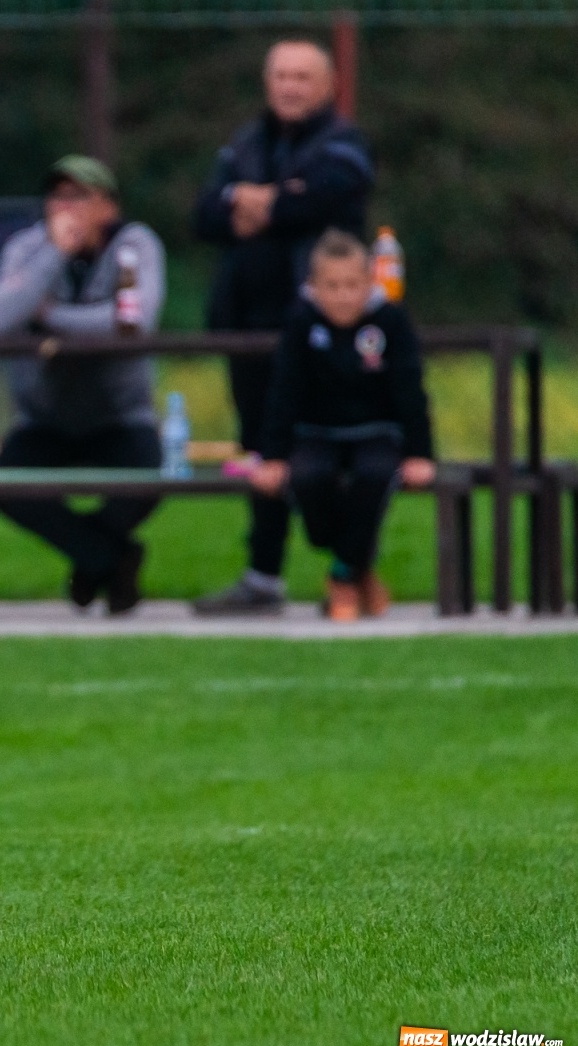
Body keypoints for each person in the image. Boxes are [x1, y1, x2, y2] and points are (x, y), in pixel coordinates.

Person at [191, 39, 374, 616]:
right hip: (248, 328)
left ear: (328, 86)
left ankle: (349, 570)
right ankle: (262, 577)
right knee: (261, 453)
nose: (290, 87)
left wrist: (259, 204)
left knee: (330, 452)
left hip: (319, 331)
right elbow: (205, 214)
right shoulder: (246, 142)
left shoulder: (343, 145)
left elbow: (326, 200)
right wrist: (267, 203)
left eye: (302, 76)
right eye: (281, 76)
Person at [0, 156, 167, 614]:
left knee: (146, 480)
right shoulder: (28, 248)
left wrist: (49, 318)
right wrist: (55, 253)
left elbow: (134, 321)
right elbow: (0, 318)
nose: (67, 208)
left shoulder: (135, 244)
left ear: (108, 205)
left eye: (80, 197)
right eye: (58, 197)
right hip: (45, 416)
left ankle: (93, 561)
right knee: (5, 485)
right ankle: (108, 557)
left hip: (120, 416)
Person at [249, 230, 434, 622]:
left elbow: (410, 391)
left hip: (376, 431)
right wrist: (274, 456)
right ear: (313, 286)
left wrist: (420, 453)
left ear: (369, 282)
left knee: (376, 474)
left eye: (352, 285)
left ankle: (342, 576)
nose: (343, 296)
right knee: (308, 478)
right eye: (331, 286)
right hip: (316, 432)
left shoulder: (390, 322)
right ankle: (359, 566)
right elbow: (284, 392)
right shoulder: (301, 323)